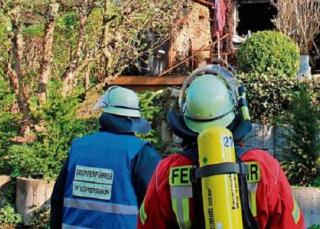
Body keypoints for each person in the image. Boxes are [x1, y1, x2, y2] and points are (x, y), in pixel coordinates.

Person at [138, 65, 305, 229]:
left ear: (185, 120)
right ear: (235, 114)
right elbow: (291, 224)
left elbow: (147, 224)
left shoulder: (167, 171)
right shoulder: (264, 166)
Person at [49, 86, 162, 229]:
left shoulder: (78, 147)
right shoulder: (140, 152)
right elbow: (158, 205)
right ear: (135, 119)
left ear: (105, 115)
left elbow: (58, 199)